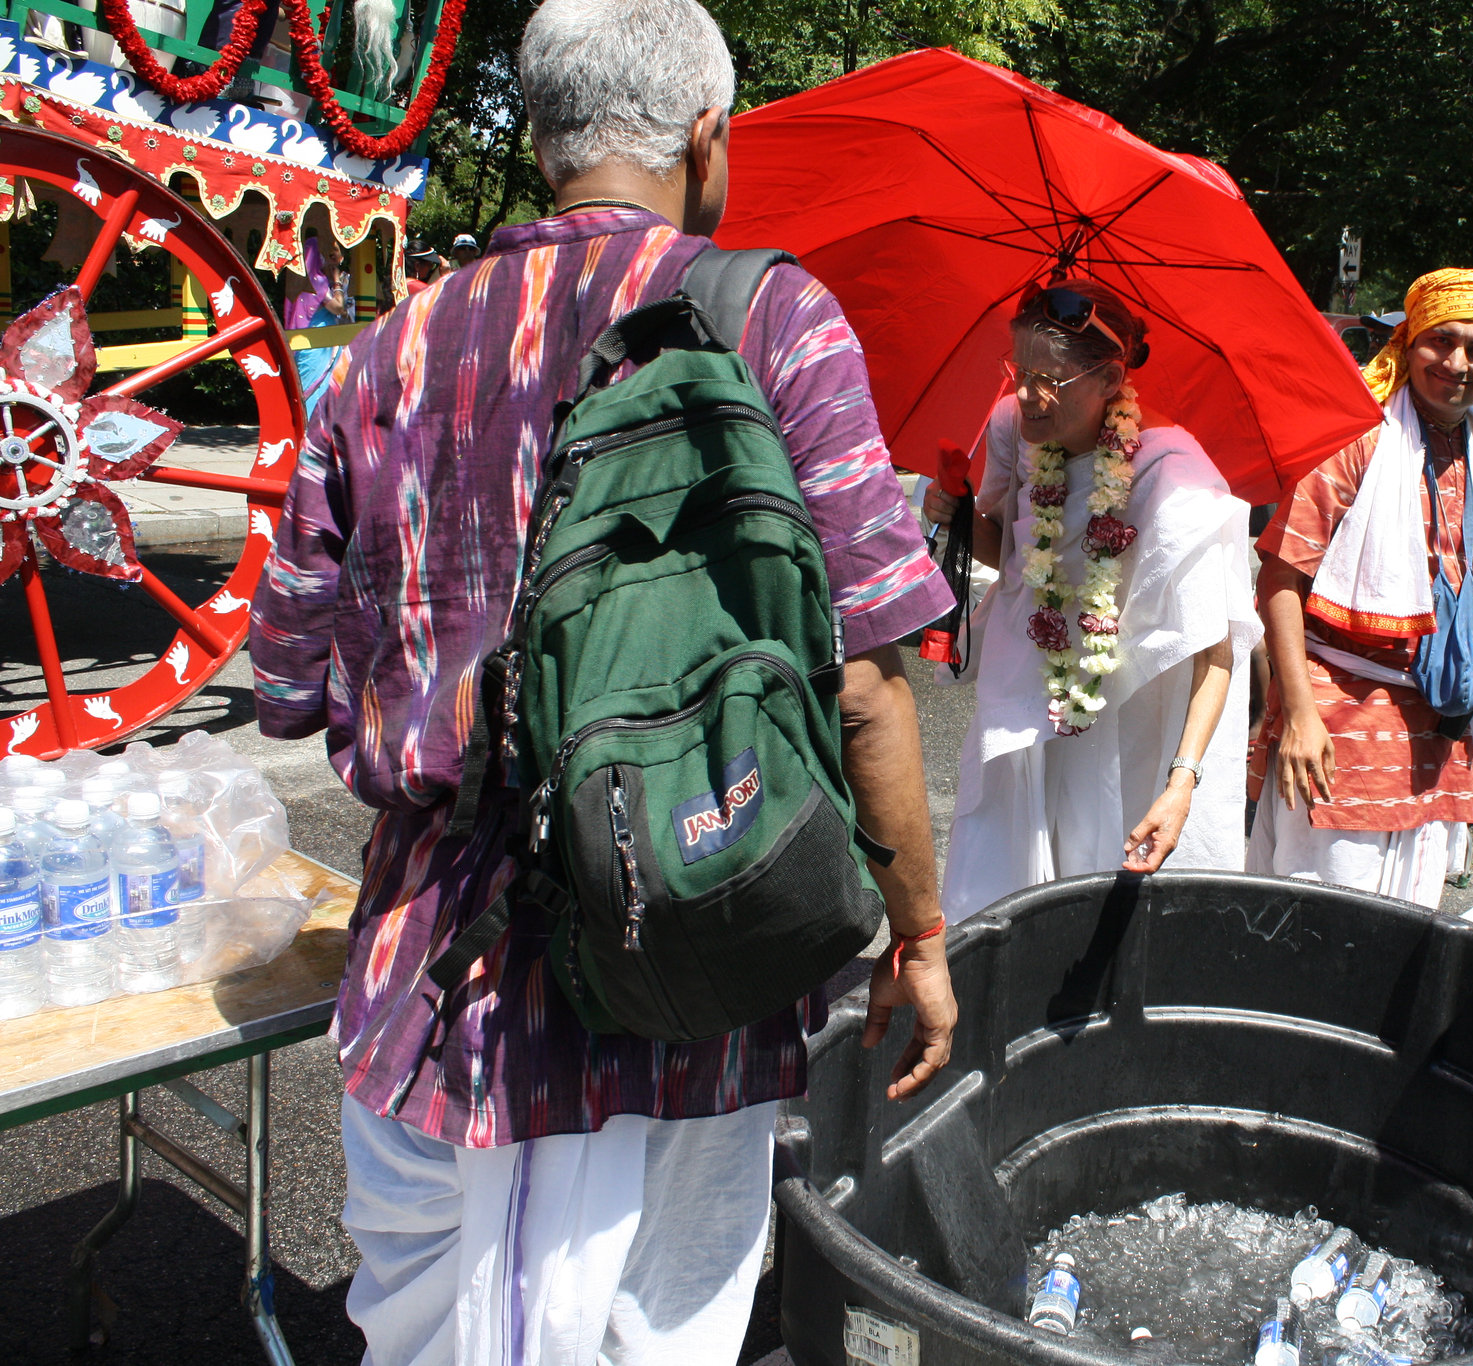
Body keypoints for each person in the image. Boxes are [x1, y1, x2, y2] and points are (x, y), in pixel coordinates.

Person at [247, 3, 961, 1360]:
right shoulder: (771, 320)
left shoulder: (388, 349)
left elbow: (285, 667)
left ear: (540, 134)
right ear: (706, 136)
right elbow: (864, 681)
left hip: (436, 986)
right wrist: (918, 936)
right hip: (694, 953)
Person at [925, 280, 1258, 922]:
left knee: (1103, 888)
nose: (1027, 395)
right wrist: (964, 517)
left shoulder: (1173, 472)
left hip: (1127, 717)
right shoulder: (1011, 430)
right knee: (1004, 882)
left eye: (1050, 379)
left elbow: (1216, 649)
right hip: (1029, 692)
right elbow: (1015, 557)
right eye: (1019, 371)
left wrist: (1182, 784)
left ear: (1109, 379)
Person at [1247, 268, 1473, 908]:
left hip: (1437, 710)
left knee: (1408, 910)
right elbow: (1281, 577)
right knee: (1319, 906)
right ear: (1408, 342)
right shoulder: (1357, 437)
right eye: (1441, 341)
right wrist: (1299, 714)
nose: (1457, 363)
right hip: (1338, 709)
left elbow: (1470, 560)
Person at [284, 232, 349, 412]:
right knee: (315, 390)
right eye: (329, 254)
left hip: (314, 343)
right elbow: (338, 307)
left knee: (313, 388)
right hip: (317, 347)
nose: (334, 260)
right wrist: (337, 282)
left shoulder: (304, 280)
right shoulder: (317, 281)